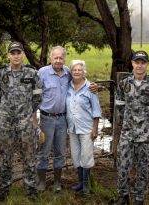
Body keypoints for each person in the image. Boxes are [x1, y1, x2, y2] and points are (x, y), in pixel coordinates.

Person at [36, 46, 97, 193]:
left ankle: (57, 182)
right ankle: (41, 182)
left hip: (63, 120)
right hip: (46, 119)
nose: (58, 60)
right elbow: (33, 93)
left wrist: (94, 86)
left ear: (64, 59)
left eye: (61, 58)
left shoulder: (68, 73)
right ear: (51, 58)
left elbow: (81, 79)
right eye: (55, 57)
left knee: (60, 152)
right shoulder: (42, 73)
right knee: (43, 152)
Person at [0, 42, 42, 201]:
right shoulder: (0, 73)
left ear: (23, 54)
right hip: (6, 123)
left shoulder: (32, 73)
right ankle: (4, 190)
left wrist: (26, 111)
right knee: (5, 157)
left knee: (29, 156)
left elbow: (37, 97)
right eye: (13, 53)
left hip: (26, 122)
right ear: (8, 55)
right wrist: (5, 112)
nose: (16, 56)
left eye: (18, 52)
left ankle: (31, 190)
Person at [114, 50, 149, 205]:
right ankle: (123, 196)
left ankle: (139, 198)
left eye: (143, 63)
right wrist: (131, 121)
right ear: (132, 64)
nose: (140, 66)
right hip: (127, 134)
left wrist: (146, 121)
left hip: (145, 135)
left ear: (147, 64)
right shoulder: (124, 84)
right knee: (123, 165)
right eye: (137, 62)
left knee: (143, 168)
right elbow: (120, 106)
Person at [66, 60, 101, 194]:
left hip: (87, 128)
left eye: (80, 70)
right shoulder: (68, 86)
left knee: (86, 157)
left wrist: (95, 129)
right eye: (74, 70)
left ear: (83, 72)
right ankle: (80, 182)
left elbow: (96, 110)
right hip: (73, 128)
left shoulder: (90, 88)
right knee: (76, 156)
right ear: (71, 72)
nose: (77, 72)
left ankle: (86, 186)